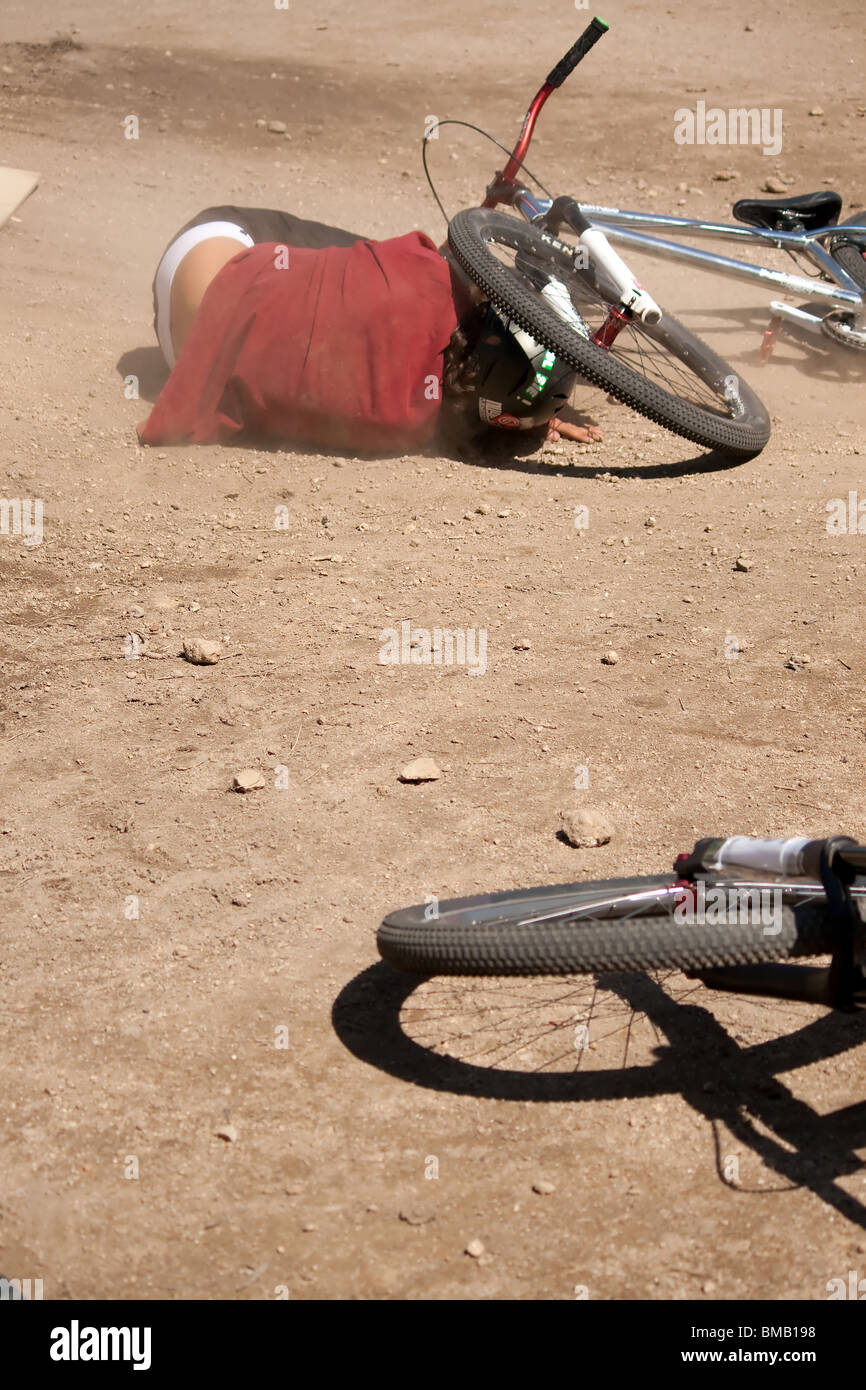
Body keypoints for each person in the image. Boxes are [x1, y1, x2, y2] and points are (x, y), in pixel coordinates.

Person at [141, 204, 603, 452]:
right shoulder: (411, 427)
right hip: (185, 359)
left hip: (210, 250)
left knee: (353, 266)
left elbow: (459, 250)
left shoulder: (425, 276)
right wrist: (524, 410)